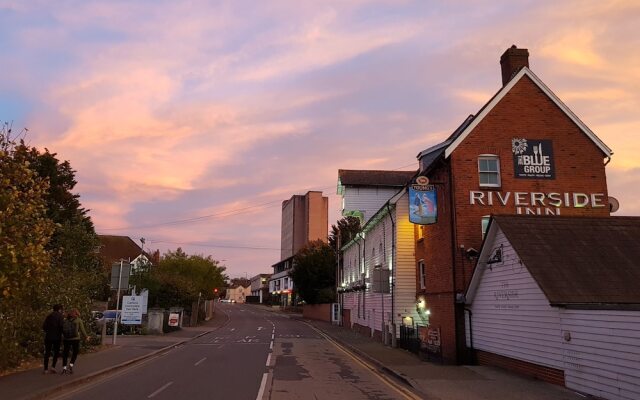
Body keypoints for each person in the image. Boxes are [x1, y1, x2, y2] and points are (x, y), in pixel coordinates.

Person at [61, 309, 90, 374]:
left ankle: (64, 368)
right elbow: (82, 329)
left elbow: (62, 329)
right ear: (77, 314)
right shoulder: (78, 320)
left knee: (65, 353)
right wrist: (86, 337)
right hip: (75, 339)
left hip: (66, 339)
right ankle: (71, 365)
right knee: (75, 352)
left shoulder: (65, 320)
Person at [42, 304, 64, 374]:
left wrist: (48, 331)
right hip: (57, 337)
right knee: (56, 352)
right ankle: (53, 367)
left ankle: (45, 369)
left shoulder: (49, 316)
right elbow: (61, 326)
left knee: (47, 352)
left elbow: (44, 326)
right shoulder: (60, 316)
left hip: (48, 336)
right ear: (59, 309)